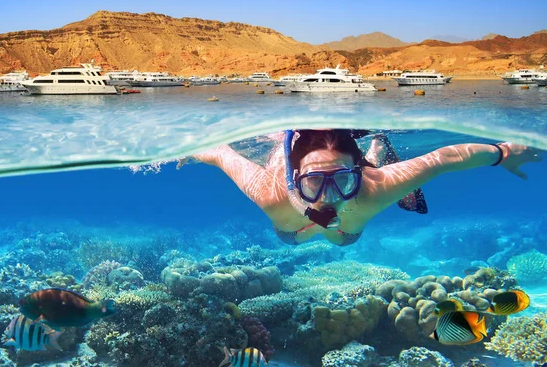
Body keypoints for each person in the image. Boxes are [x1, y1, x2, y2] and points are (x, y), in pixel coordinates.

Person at [180, 129, 542, 246]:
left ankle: (374, 151)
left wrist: (503, 152)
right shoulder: (272, 193)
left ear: (358, 173)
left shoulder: (374, 187)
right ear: (294, 180)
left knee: (343, 238)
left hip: (346, 223)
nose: (329, 196)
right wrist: (189, 147)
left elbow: (446, 158)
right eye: (313, 182)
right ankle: (371, 152)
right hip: (293, 229)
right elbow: (219, 152)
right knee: (292, 236)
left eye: (343, 179)